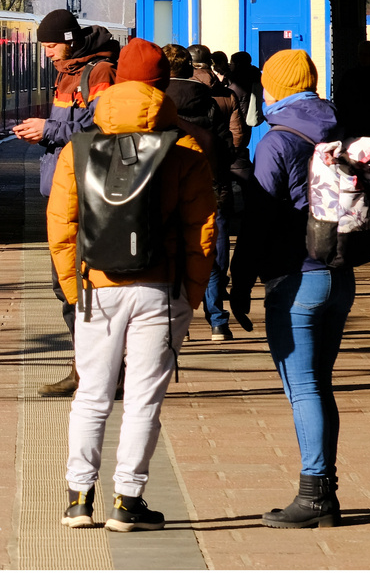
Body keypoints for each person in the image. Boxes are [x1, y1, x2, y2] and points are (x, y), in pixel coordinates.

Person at [47, 38, 217, 531]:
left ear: (116, 81)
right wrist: (195, 292)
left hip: (96, 290)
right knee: (143, 399)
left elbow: (61, 226)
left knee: (92, 396)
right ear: (163, 84)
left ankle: (79, 497)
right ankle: (127, 502)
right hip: (161, 290)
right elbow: (202, 231)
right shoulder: (183, 150)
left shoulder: (79, 149)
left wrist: (76, 288)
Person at [229, 49, 352, 529]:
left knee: (304, 388)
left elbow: (257, 222)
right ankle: (325, 494)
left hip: (295, 280)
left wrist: (239, 285)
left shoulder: (277, 140)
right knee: (319, 386)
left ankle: (315, 494)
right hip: (339, 275)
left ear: (274, 87)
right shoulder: (338, 127)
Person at [11, 9, 118, 396]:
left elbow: (102, 128)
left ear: (70, 40)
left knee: (80, 286)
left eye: (52, 46)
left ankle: (95, 374)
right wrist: (44, 133)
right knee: (66, 287)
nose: (48, 55)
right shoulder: (67, 74)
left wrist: (48, 129)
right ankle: (83, 368)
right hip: (63, 192)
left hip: (85, 194)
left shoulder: (99, 73)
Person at [190, 44, 248, 341]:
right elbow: (238, 135)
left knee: (179, 248)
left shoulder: (164, 96)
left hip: (181, 181)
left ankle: (180, 319)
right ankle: (217, 321)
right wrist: (223, 159)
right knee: (216, 247)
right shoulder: (226, 94)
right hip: (216, 179)